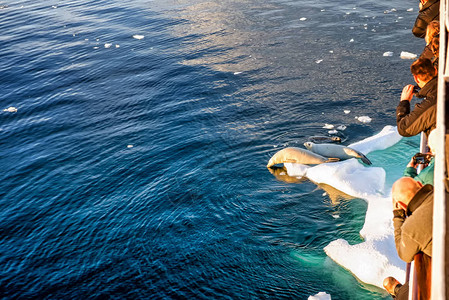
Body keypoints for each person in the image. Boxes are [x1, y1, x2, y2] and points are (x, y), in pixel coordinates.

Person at [382, 177, 434, 299]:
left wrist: (398, 216)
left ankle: (395, 291)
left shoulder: (412, 227)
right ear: (420, 184)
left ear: (399, 205)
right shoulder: (441, 193)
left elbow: (404, 255)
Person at [396, 58, 437, 138]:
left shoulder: (432, 102)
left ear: (416, 78)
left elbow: (404, 129)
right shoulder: (444, 86)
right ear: (435, 70)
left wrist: (404, 102)